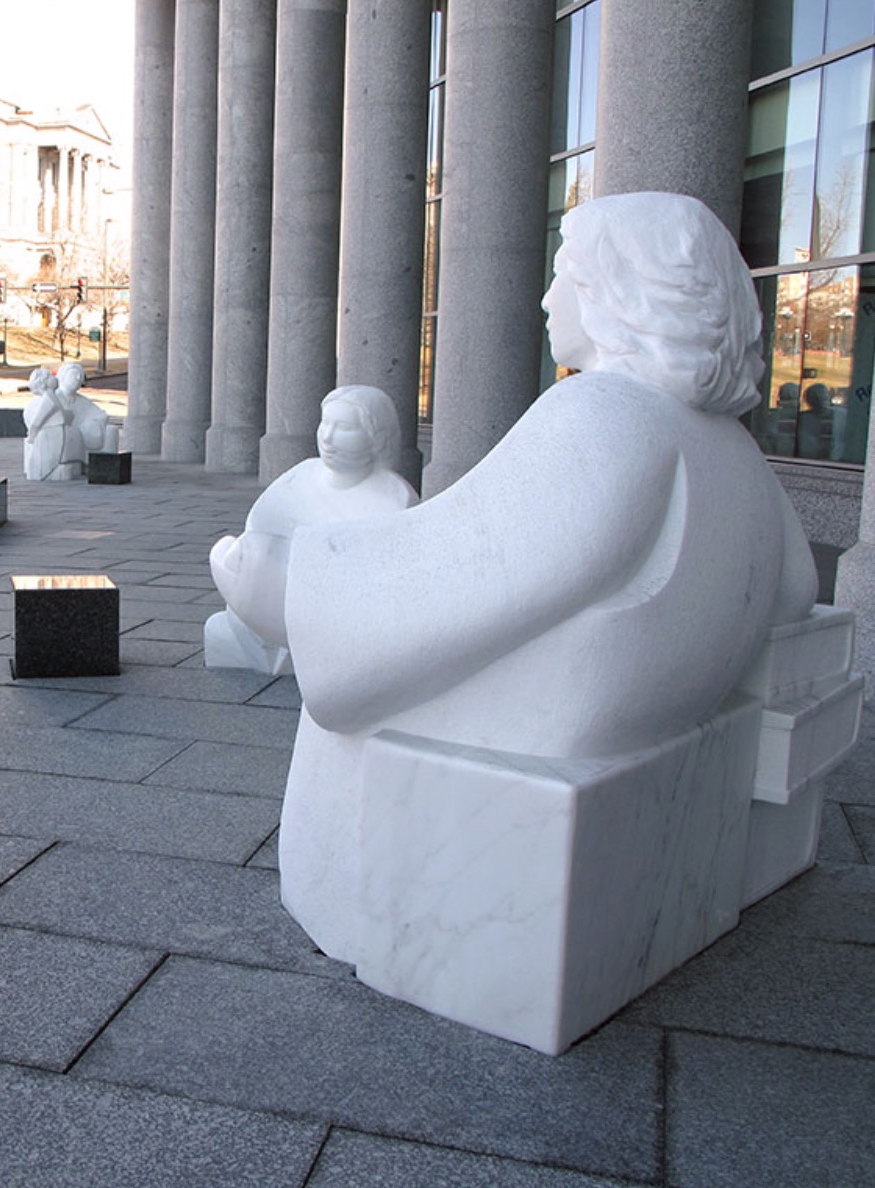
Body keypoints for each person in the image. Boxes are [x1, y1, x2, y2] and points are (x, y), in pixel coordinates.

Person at [277, 192, 819, 962]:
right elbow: (795, 588)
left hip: (530, 743)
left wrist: (292, 584)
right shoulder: (733, 449)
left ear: (617, 296)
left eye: (564, 273)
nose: (544, 295)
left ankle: (336, 901)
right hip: (644, 732)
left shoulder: (604, 416)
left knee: (351, 685)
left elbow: (456, 576)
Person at [205, 385, 416, 673]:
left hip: (336, 609)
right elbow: (258, 529)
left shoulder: (394, 498)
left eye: (343, 427)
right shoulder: (303, 474)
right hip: (279, 586)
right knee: (231, 554)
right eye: (325, 423)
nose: (327, 437)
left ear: (376, 436)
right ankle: (270, 640)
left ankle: (294, 643)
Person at [23, 362, 110, 480]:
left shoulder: (52, 397)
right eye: (49, 377)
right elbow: (38, 420)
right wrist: (32, 435)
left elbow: (63, 416)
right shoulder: (49, 398)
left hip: (62, 431)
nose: (54, 378)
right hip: (54, 433)